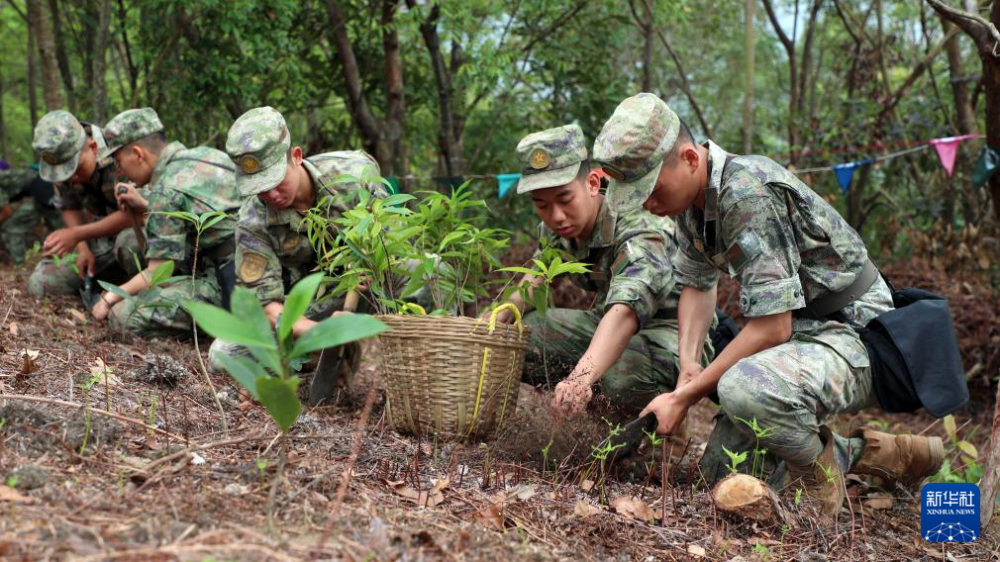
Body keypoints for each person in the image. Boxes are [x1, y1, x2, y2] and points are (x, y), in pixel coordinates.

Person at [592, 93, 943, 520]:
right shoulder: (690, 204)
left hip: (855, 334)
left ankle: (821, 479)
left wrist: (686, 395)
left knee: (744, 390)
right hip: (801, 338)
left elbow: (772, 328)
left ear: (688, 158)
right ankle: (880, 453)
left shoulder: (746, 192)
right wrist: (689, 366)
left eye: (651, 188)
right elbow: (698, 287)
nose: (647, 202)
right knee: (720, 474)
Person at [494, 124, 713, 419]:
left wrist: (581, 377)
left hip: (670, 335)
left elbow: (628, 308)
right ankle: (599, 411)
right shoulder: (559, 226)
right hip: (607, 324)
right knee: (519, 338)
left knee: (621, 376)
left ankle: (657, 430)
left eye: (565, 199)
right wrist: (489, 323)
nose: (556, 216)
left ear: (594, 182)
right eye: (541, 205)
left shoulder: (638, 225)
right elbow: (538, 274)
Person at [207, 106, 387, 398]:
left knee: (429, 271)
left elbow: (391, 239)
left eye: (276, 182)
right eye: (259, 188)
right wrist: (319, 331)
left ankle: (422, 380)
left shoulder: (354, 175)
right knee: (225, 354)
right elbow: (265, 305)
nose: (271, 195)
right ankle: (328, 354)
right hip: (321, 304)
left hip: (375, 286)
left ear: (297, 157)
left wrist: (372, 263)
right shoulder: (254, 220)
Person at [92, 108, 240, 337]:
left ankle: (219, 326)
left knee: (125, 316)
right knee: (129, 242)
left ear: (138, 154)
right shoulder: (207, 155)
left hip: (228, 281)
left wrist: (111, 296)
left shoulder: (166, 190)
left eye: (118, 161)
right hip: (257, 265)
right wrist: (143, 205)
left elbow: (158, 272)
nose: (118, 171)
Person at [27, 110, 142, 297]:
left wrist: (77, 234)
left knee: (129, 244)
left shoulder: (122, 152)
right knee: (41, 284)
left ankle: (139, 292)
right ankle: (107, 283)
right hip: (99, 240)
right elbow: (69, 205)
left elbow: (139, 214)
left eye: (76, 169)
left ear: (94, 147)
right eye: (64, 174)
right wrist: (81, 247)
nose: (72, 179)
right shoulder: (60, 161)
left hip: (139, 234)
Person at [0, 165, 61, 264]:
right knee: (57, 225)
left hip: (41, 186)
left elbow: (7, 211)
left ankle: (20, 264)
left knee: (12, 227)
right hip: (40, 188)